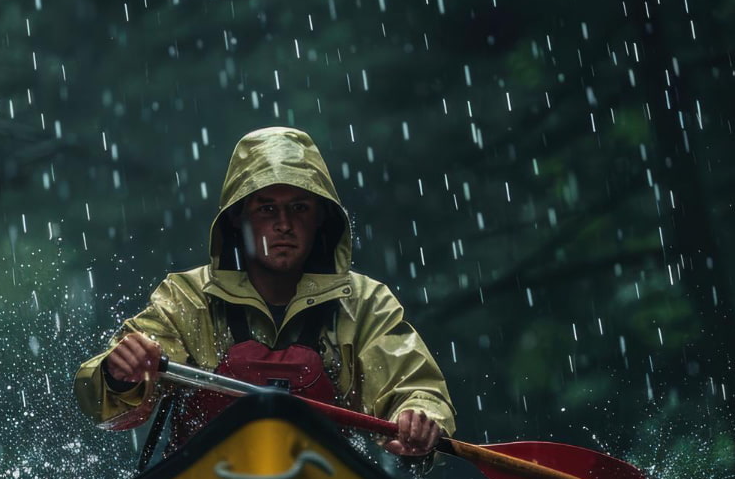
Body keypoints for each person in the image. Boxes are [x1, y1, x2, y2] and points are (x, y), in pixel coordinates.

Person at [73, 126, 453, 459]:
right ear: (238, 218)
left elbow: (415, 388)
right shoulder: (185, 297)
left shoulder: (367, 303)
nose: (284, 224)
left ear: (320, 217)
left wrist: (420, 417)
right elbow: (104, 404)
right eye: (267, 209)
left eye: (299, 208)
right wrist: (118, 375)